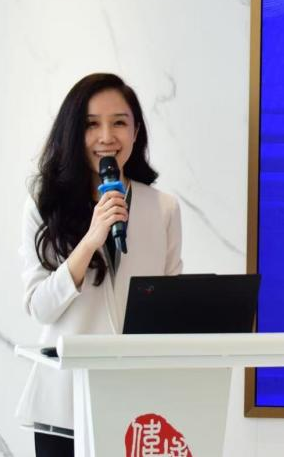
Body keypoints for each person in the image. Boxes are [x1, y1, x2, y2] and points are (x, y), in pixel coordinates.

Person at [16, 73, 183, 457]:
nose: (106, 136)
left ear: (136, 131)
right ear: (74, 132)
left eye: (119, 122)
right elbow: (40, 307)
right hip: (64, 405)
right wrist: (91, 239)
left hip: (139, 408)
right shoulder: (44, 206)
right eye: (91, 124)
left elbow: (170, 308)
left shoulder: (163, 208)